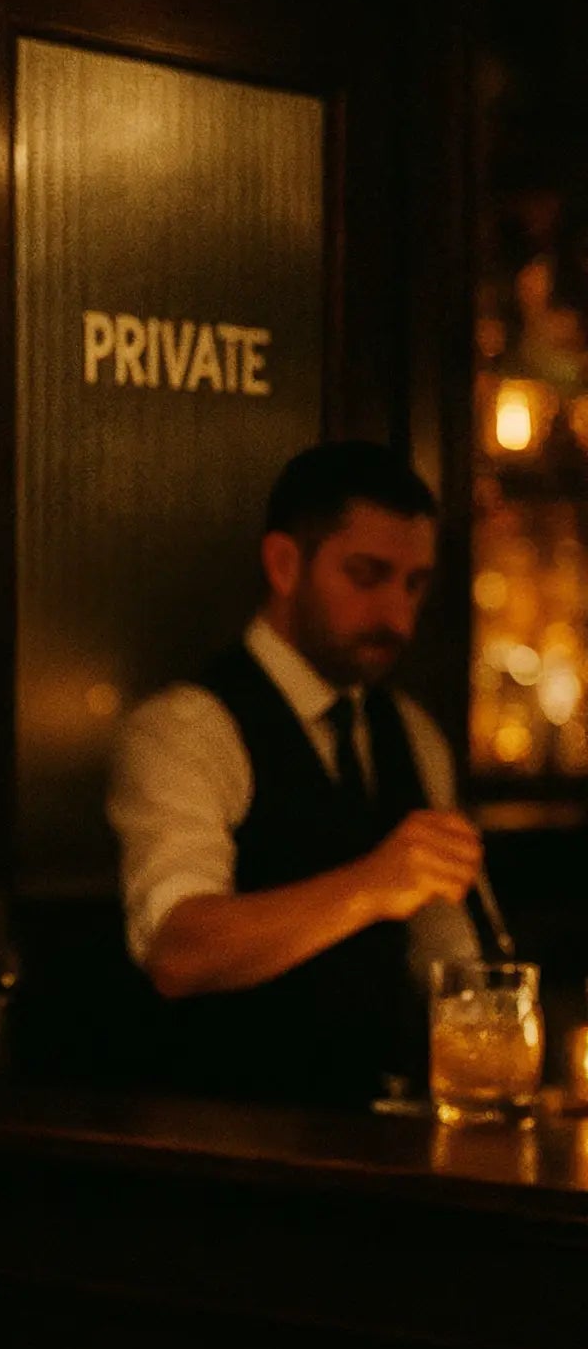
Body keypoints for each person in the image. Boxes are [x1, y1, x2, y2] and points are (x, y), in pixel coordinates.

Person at [107, 440, 486, 1105]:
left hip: (385, 1143)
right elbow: (177, 952)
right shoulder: (187, 728)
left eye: (414, 585)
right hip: (233, 1154)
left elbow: (447, 958)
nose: (397, 617)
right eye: (367, 576)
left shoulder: (416, 735)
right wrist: (371, 884)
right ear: (284, 564)